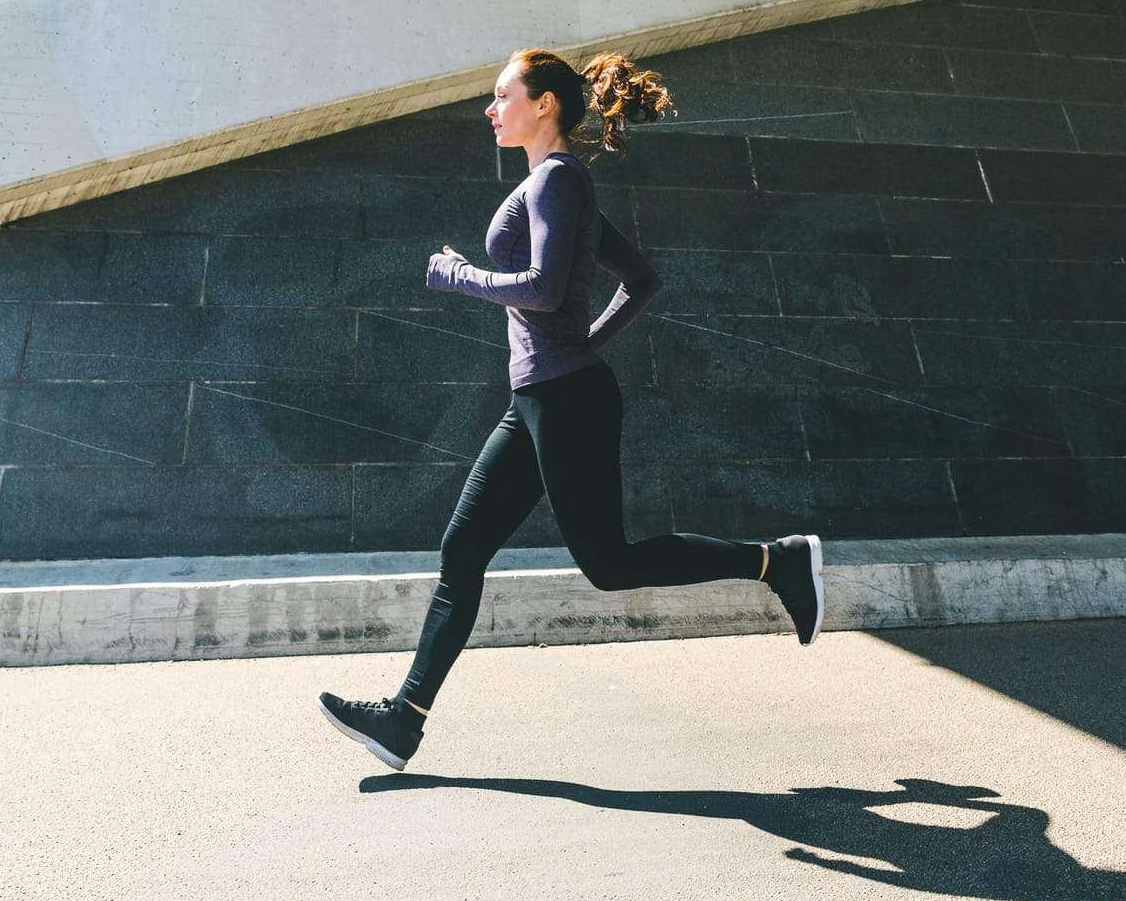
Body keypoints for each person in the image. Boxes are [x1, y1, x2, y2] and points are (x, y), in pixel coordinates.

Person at [318, 48, 824, 772]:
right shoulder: (559, 184)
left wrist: (461, 275)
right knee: (463, 549)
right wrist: (579, 345)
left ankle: (780, 561)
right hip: (539, 396)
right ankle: (404, 719)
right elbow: (642, 280)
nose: (491, 110)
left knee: (609, 564)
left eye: (502, 95)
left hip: (565, 400)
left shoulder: (556, 180)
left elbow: (545, 289)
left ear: (545, 102)